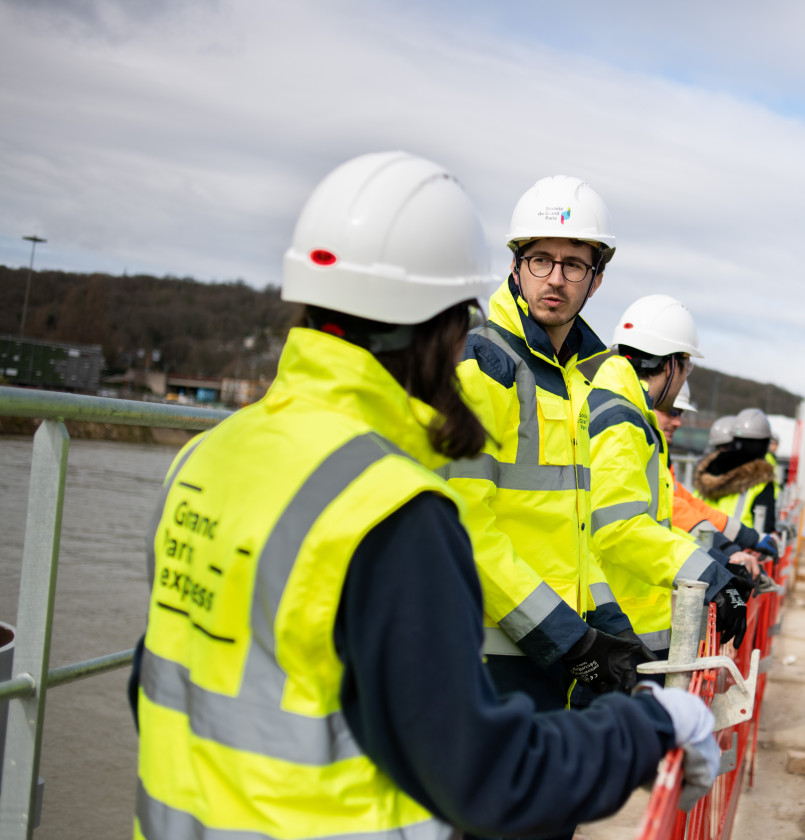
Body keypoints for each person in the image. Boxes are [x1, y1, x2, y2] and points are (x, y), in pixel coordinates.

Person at [127, 152, 718, 840]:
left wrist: (597, 630)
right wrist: (652, 725)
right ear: (448, 318)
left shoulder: (202, 460)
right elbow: (492, 775)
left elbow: (163, 687)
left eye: (574, 264)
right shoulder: (389, 508)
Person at [438, 176, 649, 712]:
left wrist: (611, 630)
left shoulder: (576, 379)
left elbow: (574, 535)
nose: (554, 279)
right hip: (490, 651)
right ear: (515, 266)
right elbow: (463, 527)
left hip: (546, 646)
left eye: (573, 264)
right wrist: (568, 638)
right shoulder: (483, 366)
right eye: (540, 260)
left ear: (595, 280)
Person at [583, 295, 755, 655]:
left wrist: (718, 565)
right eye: (687, 369)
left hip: (622, 624)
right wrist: (711, 577)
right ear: (673, 364)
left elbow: (655, 525)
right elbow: (619, 529)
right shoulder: (620, 420)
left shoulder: (619, 411)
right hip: (618, 628)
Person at [658, 384, 777, 576]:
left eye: (680, 414)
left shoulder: (664, 459)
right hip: (709, 554)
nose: (679, 422)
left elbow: (691, 506)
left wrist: (744, 538)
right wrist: (728, 550)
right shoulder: (639, 452)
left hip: (712, 551)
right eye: (672, 412)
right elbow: (676, 509)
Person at [694, 407, 778, 535]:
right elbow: (767, 528)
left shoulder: (705, 475)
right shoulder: (760, 483)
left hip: (698, 546)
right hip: (739, 550)